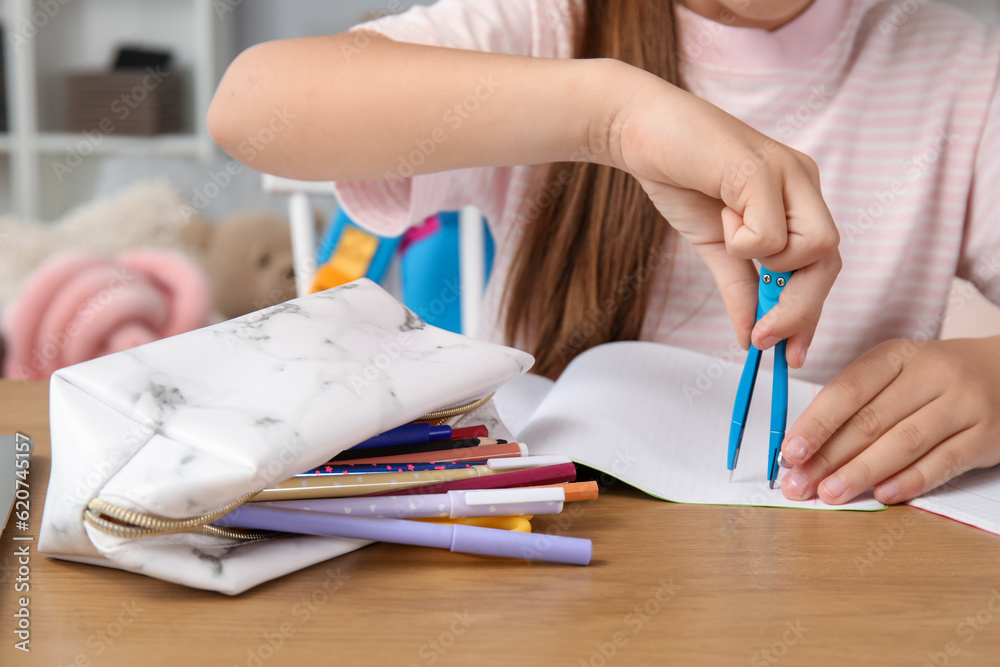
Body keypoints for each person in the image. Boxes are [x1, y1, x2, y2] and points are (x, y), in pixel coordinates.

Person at [208, 0, 1000, 508]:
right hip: (546, 554)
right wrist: (611, 118)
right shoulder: (548, 28)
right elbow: (252, 106)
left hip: (840, 559)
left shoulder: (969, 73)